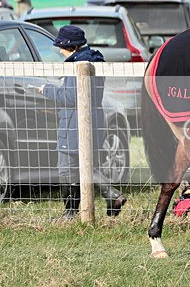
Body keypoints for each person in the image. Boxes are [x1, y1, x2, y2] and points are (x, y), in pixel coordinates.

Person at [38, 25, 127, 219]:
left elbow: (71, 97)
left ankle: (71, 213)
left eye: (60, 46)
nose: (59, 51)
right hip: (94, 120)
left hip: (74, 124)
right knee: (88, 166)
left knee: (67, 169)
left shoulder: (76, 65)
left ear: (69, 46)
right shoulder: (94, 60)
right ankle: (112, 196)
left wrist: (47, 90)